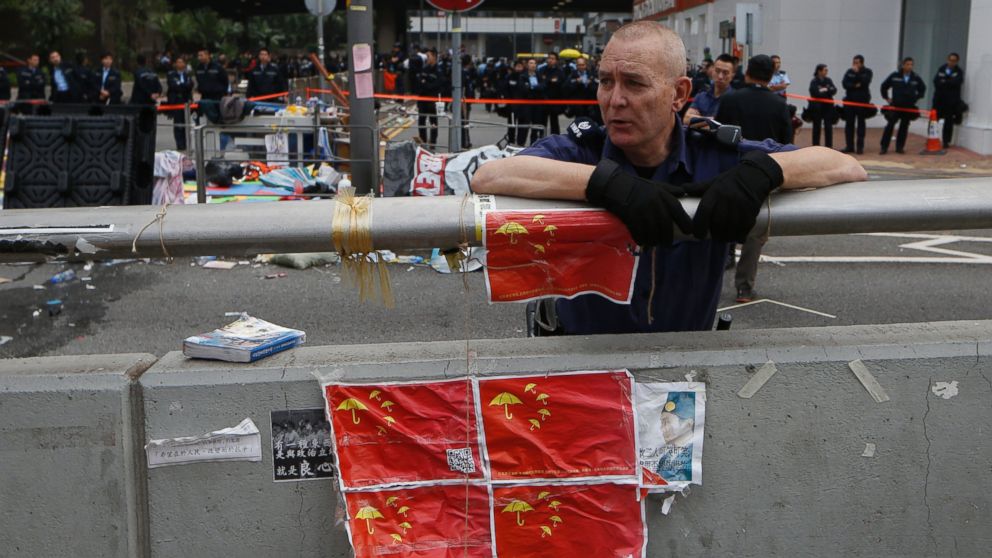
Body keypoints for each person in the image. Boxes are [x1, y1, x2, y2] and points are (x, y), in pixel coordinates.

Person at [471, 22, 865, 335]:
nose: (614, 99)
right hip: (584, 368)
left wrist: (764, 172)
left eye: (635, 83)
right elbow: (491, 174)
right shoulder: (584, 149)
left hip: (687, 369)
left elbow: (846, 166)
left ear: (679, 93)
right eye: (606, 81)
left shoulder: (714, 152)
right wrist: (606, 185)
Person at [715, 54, 794, 304]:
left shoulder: (731, 99)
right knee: (755, 229)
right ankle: (744, 288)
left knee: (718, 221)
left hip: (731, 167)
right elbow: (785, 141)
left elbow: (719, 134)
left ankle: (711, 280)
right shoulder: (778, 104)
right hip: (763, 171)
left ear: (746, 72)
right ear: (771, 76)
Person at [879, 57, 926, 154]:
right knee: (890, 125)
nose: (910, 66)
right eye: (908, 64)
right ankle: (884, 147)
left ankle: (899, 147)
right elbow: (884, 86)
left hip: (908, 107)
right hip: (896, 106)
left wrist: (916, 98)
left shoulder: (915, 77)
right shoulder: (895, 76)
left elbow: (922, 89)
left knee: (904, 127)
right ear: (903, 65)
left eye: (911, 65)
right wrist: (887, 98)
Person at [683, 53, 734, 124]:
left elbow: (723, 128)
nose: (720, 76)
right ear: (713, 70)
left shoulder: (734, 101)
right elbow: (686, 119)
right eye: (717, 71)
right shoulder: (702, 95)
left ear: (732, 75)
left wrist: (697, 120)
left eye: (725, 73)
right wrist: (712, 121)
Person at [841, 55, 873, 154]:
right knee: (849, 125)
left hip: (862, 102)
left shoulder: (867, 72)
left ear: (862, 63)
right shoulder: (849, 72)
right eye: (854, 62)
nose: (855, 64)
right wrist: (855, 85)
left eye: (857, 62)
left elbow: (865, 82)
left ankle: (860, 147)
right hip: (850, 102)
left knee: (861, 125)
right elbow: (845, 84)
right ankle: (849, 146)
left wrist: (857, 74)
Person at [933, 52, 965, 149]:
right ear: (947, 60)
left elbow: (956, 83)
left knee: (948, 121)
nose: (952, 62)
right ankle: (931, 137)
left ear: (957, 62)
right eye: (950, 60)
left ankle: (946, 141)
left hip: (951, 101)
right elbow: (936, 81)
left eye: (954, 61)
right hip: (939, 99)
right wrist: (947, 82)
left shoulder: (958, 72)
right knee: (934, 119)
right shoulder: (941, 69)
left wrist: (945, 82)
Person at [415, 48, 445, 146]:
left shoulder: (439, 70)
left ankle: (432, 141)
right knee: (421, 121)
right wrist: (426, 84)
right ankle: (423, 140)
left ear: (434, 57)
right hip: (422, 99)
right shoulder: (424, 68)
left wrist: (426, 83)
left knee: (433, 121)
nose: (427, 58)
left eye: (428, 56)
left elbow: (436, 85)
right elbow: (419, 82)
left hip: (432, 100)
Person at [514, 58, 546, 146]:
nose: (533, 65)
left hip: (537, 104)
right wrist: (533, 87)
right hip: (525, 105)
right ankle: (520, 144)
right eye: (531, 63)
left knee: (535, 126)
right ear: (527, 65)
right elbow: (523, 89)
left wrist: (532, 87)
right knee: (524, 126)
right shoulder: (522, 76)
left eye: (534, 63)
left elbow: (543, 86)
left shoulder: (539, 76)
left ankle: (534, 144)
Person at [166, 56, 194, 150]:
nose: (179, 64)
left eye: (181, 62)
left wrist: (183, 86)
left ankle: (187, 144)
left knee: (186, 123)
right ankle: (180, 145)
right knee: (178, 124)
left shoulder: (187, 75)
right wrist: (184, 86)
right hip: (176, 101)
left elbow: (190, 86)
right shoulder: (171, 75)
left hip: (186, 101)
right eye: (178, 62)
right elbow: (174, 86)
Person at [807, 64, 838, 148]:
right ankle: (816, 146)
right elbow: (815, 93)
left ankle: (829, 147)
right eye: (825, 70)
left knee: (828, 127)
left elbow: (834, 90)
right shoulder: (814, 81)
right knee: (816, 127)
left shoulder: (828, 80)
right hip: (817, 108)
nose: (826, 72)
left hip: (828, 108)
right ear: (819, 71)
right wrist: (827, 91)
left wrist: (824, 90)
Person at [564, 56, 600, 123]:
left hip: (589, 106)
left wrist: (590, 83)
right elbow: (566, 88)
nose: (581, 67)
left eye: (583, 65)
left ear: (586, 65)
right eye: (579, 65)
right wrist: (576, 82)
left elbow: (595, 89)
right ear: (576, 65)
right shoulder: (572, 75)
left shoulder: (591, 74)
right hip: (577, 106)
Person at [539, 52, 565, 136]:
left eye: (553, 58)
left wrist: (547, 80)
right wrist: (550, 81)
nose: (550, 60)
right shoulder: (542, 70)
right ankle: (541, 139)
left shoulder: (559, 71)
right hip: (543, 100)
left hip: (554, 101)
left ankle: (555, 139)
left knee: (554, 123)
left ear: (556, 61)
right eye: (549, 58)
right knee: (542, 123)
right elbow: (541, 83)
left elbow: (559, 84)